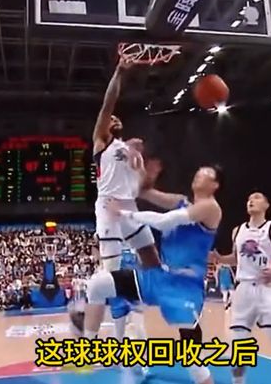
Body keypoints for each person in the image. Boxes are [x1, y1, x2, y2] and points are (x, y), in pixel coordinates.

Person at [73, 162, 223, 384]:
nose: (199, 174)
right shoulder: (181, 201)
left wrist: (124, 213)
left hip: (184, 289)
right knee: (97, 285)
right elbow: (143, 193)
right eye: (198, 171)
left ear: (215, 185)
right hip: (160, 278)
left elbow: (164, 221)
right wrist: (141, 174)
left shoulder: (211, 208)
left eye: (206, 174)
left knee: (193, 363)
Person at [86, 59, 160, 342]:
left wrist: (147, 173)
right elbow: (108, 104)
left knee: (152, 262)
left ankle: (136, 311)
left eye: (118, 118)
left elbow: (141, 188)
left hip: (129, 208)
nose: (114, 118)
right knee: (111, 275)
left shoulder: (131, 151)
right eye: (110, 118)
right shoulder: (101, 141)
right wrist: (118, 72)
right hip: (108, 208)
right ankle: (97, 337)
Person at [212, 192, 271, 384]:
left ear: (266, 205)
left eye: (257, 197)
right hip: (243, 290)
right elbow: (237, 258)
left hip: (267, 289)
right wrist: (220, 258)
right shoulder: (237, 231)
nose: (251, 200)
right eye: (249, 199)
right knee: (238, 346)